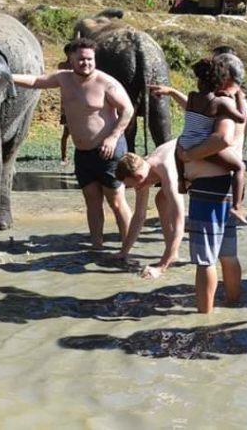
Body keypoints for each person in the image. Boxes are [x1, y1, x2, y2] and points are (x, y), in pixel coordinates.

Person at [13, 37, 135, 250]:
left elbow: (128, 109)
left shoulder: (106, 82)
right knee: (92, 203)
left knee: (116, 202)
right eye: (81, 59)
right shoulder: (63, 78)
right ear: (70, 59)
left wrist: (113, 136)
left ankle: (127, 249)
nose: (86, 63)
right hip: (83, 152)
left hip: (109, 150)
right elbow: (36, 81)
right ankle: (96, 247)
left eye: (89, 59)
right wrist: (8, 77)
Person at [176, 52, 247, 313]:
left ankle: (203, 319)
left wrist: (188, 156)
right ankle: (234, 303)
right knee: (227, 254)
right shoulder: (235, 102)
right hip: (225, 188)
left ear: (224, 78)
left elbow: (221, 140)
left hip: (208, 188)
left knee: (205, 258)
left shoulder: (217, 103)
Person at [172, 58, 247, 214]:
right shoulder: (219, 102)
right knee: (240, 167)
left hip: (185, 141)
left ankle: (181, 180)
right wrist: (239, 97)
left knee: (178, 147)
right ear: (221, 82)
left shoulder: (192, 96)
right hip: (201, 144)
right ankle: (237, 206)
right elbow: (240, 118)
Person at [113, 144, 185, 277]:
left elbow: (179, 224)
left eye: (130, 185)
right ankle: (172, 254)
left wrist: (160, 268)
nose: (133, 188)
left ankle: (169, 259)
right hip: (183, 161)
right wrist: (124, 251)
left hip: (204, 161)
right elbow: (139, 215)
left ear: (139, 178)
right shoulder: (142, 167)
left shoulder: (166, 172)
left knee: (165, 201)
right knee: (161, 200)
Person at [57, 47, 72, 165]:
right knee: (67, 132)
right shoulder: (64, 66)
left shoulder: (62, 65)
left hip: (67, 102)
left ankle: (64, 156)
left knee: (67, 133)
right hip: (68, 103)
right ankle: (64, 156)